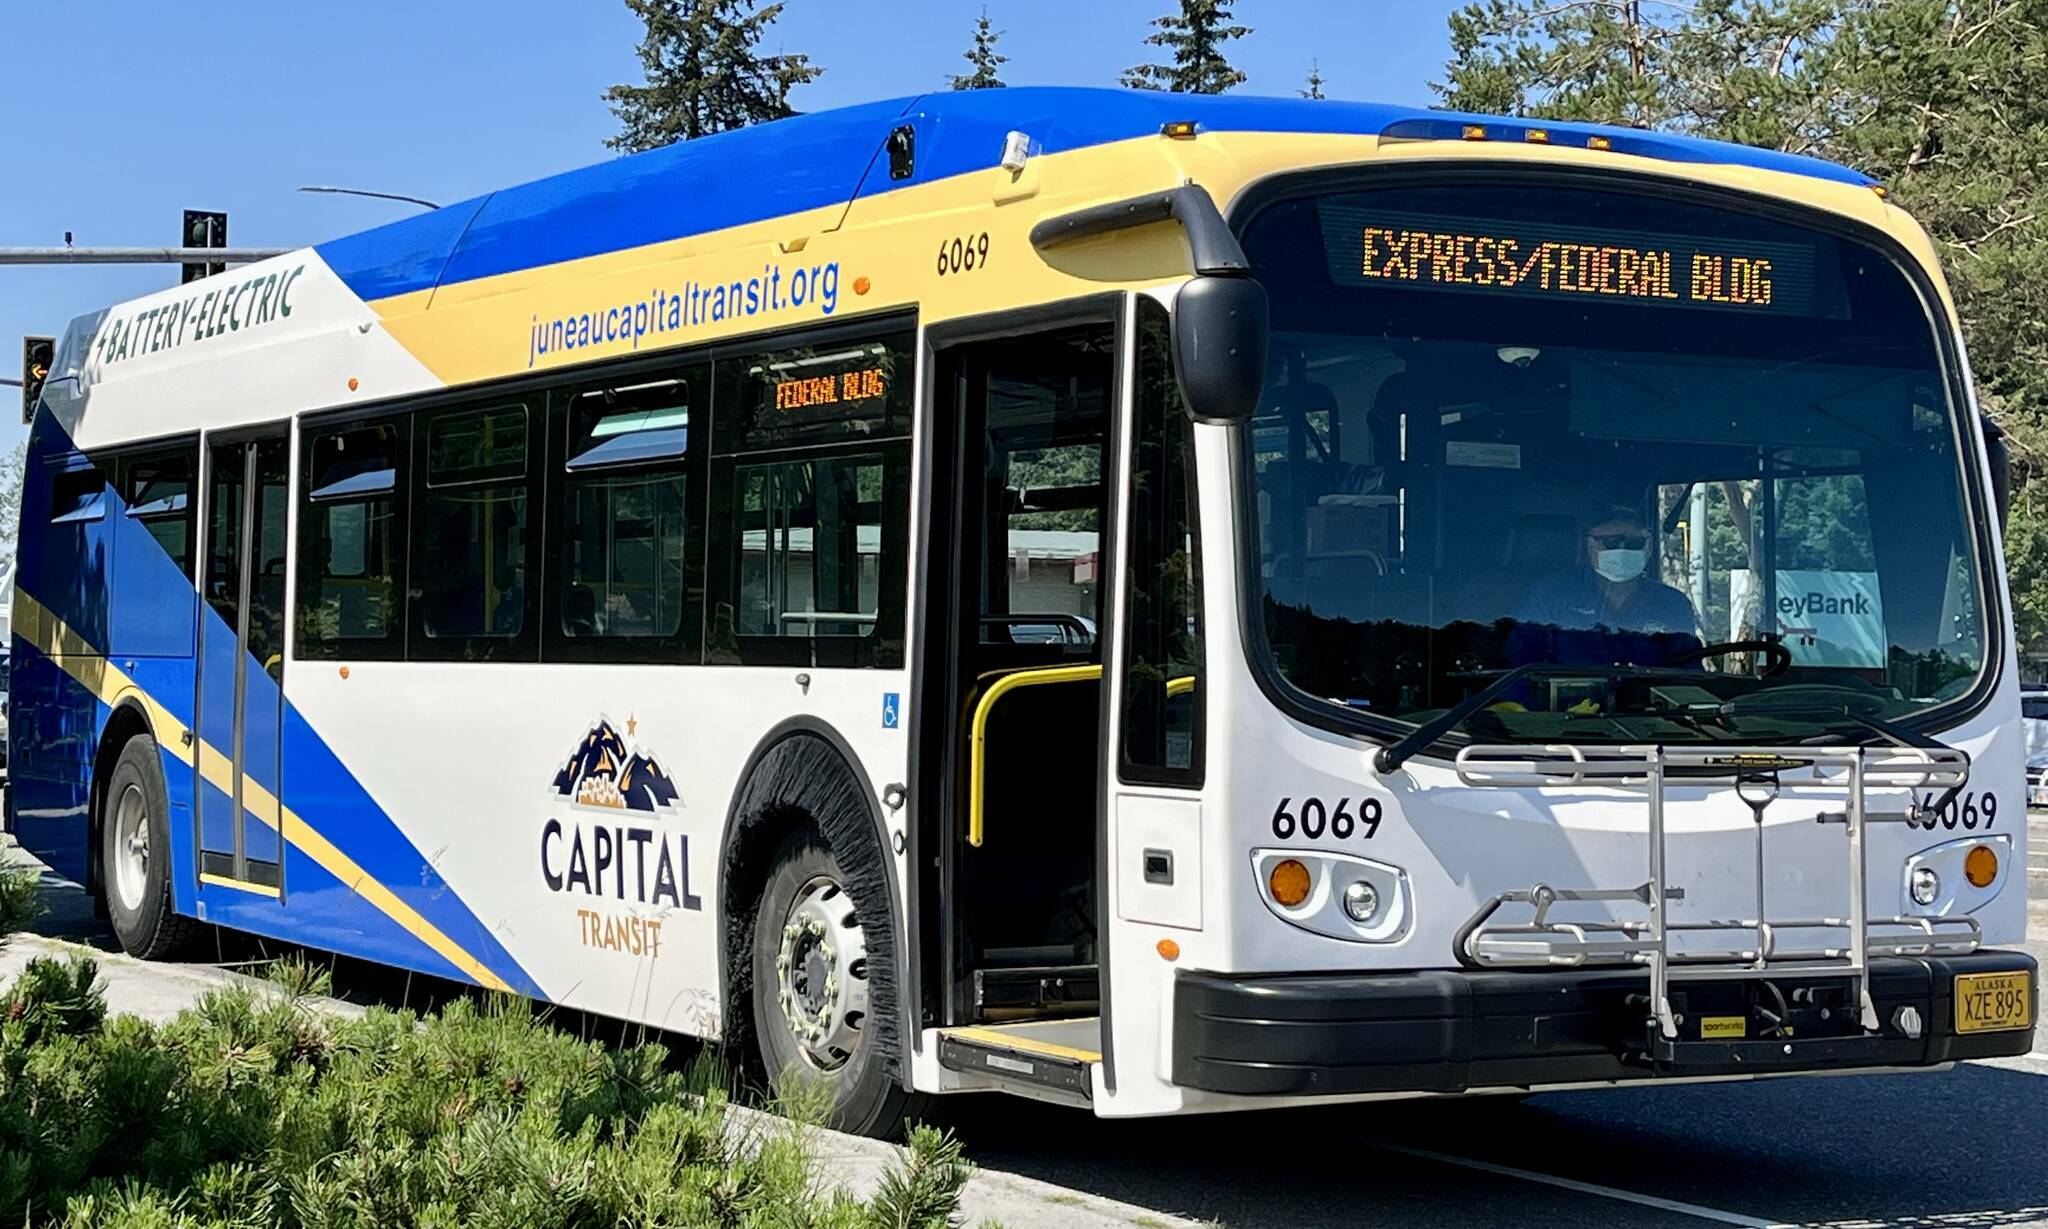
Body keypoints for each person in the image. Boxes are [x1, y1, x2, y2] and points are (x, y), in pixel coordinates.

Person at [1511, 504, 1700, 667]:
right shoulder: (1551, 597)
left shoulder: (1673, 604)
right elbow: (1519, 668)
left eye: (1634, 543)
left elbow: (1688, 675)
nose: (1622, 549)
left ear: (1648, 547)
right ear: (1590, 546)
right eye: (1611, 542)